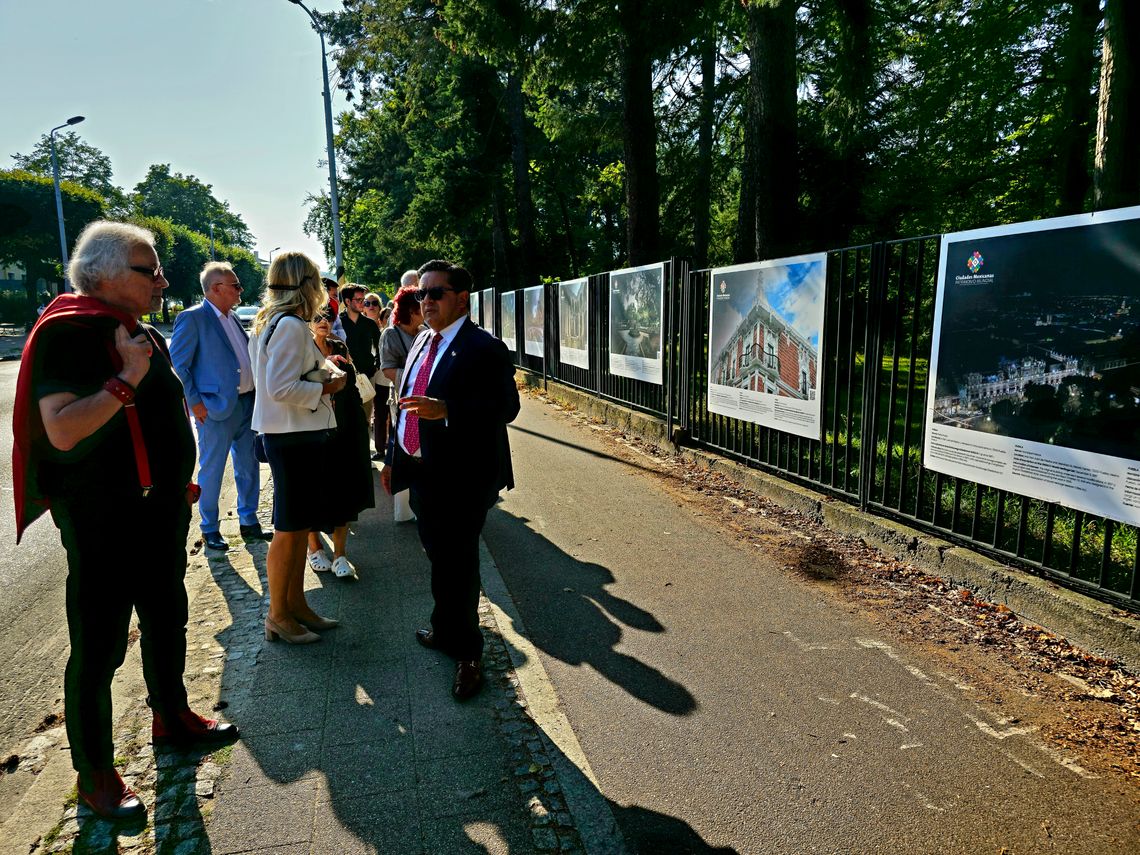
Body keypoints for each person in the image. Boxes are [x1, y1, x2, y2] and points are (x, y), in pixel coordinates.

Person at [11, 221, 238, 821]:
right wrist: (127, 378)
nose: (163, 280)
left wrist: (174, 475)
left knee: (167, 618)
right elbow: (61, 429)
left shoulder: (144, 332)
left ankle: (172, 716)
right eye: (151, 270)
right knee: (99, 645)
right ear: (105, 274)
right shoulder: (67, 333)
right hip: (101, 517)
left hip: (158, 508)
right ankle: (95, 774)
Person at [381, 259, 520, 700]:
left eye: (435, 293)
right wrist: (393, 456)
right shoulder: (423, 339)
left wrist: (449, 411)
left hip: (463, 477)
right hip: (422, 471)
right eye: (421, 294)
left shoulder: (485, 348)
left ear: (461, 298)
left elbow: (506, 409)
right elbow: (402, 402)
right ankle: (445, 630)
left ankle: (468, 653)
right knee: (440, 557)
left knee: (459, 564)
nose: (425, 301)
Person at [249, 252, 346, 645]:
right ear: (306, 283)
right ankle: (278, 615)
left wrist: (322, 372)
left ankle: (295, 606)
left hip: (289, 434)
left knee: (296, 525)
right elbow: (281, 388)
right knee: (288, 530)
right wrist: (329, 385)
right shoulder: (289, 324)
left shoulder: (273, 321)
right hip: (292, 437)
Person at [169, 261, 271, 552]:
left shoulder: (233, 317)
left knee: (248, 466)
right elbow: (179, 365)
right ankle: (210, 528)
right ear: (215, 288)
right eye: (235, 285)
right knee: (212, 469)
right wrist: (195, 403)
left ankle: (249, 520)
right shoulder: (193, 318)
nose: (241, 290)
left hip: (245, 404)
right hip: (214, 409)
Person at [305, 308, 375, 579]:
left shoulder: (338, 346)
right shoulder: (302, 348)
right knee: (315, 491)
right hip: (313, 428)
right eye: (317, 318)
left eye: (328, 318)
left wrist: (360, 423)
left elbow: (353, 385)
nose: (324, 323)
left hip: (344, 426)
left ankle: (340, 554)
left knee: (343, 492)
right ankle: (314, 548)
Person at [379, 285, 425, 517]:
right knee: (403, 450)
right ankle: (407, 510)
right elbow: (386, 368)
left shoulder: (425, 330)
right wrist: (414, 378)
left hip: (424, 401)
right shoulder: (392, 334)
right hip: (404, 400)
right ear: (412, 309)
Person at [338, 284, 381, 451]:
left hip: (366, 378)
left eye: (364, 299)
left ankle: (364, 455)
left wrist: (376, 365)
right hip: (343, 380)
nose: (363, 303)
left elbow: (380, 347)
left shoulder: (369, 324)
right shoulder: (338, 322)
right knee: (344, 421)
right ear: (347, 301)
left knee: (364, 420)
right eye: (359, 300)